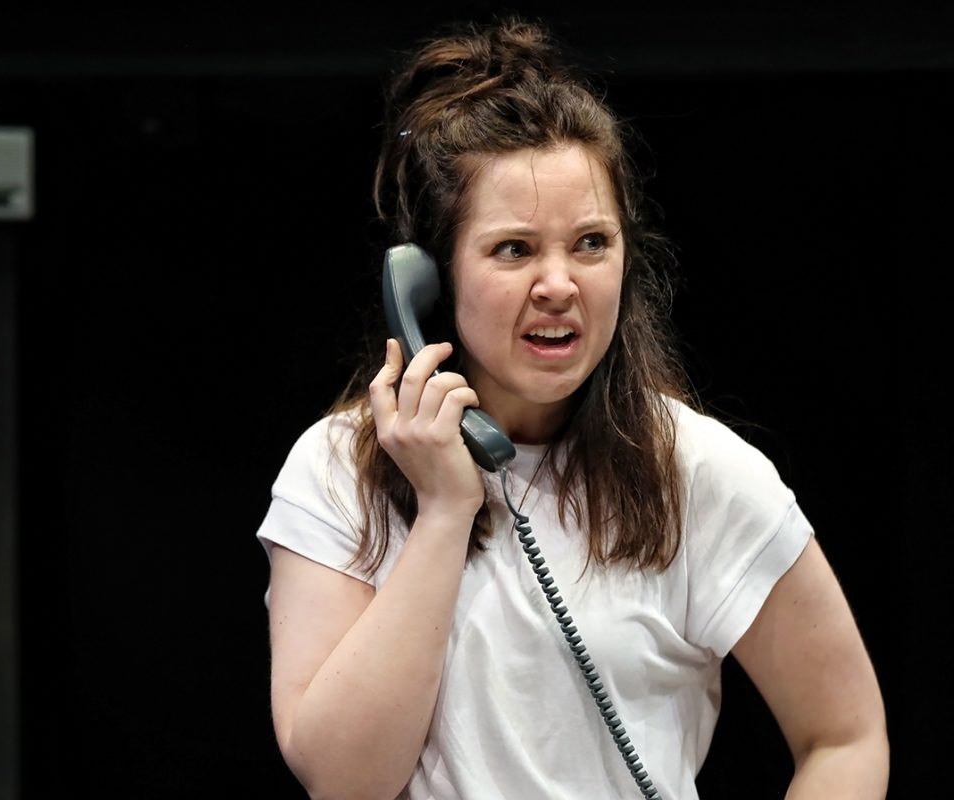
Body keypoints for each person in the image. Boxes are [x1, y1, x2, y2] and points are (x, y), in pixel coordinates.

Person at [254, 14, 888, 800]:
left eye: (591, 243)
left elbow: (846, 735)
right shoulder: (335, 470)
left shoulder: (698, 470)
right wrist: (448, 506)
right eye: (514, 249)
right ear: (430, 279)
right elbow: (346, 782)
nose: (559, 284)